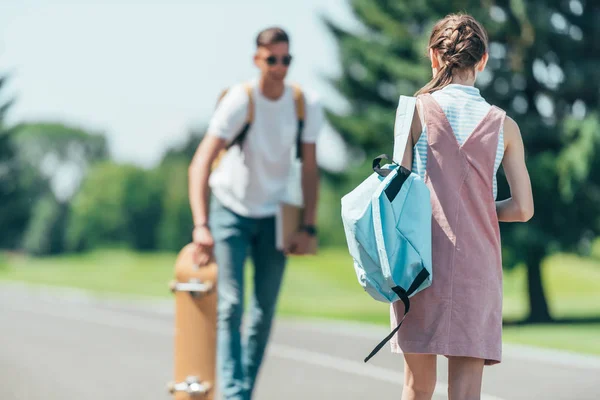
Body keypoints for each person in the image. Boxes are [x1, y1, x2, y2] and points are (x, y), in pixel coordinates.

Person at [389, 13, 534, 400]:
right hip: (477, 267)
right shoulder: (505, 126)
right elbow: (523, 208)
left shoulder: (414, 111)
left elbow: (396, 195)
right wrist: (482, 208)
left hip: (420, 266)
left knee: (417, 386)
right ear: (483, 60)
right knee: (466, 393)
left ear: (434, 57)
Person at [187, 27, 323, 400]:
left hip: (277, 214)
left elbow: (310, 169)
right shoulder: (239, 100)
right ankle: (235, 393)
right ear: (257, 59)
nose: (280, 67)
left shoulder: (305, 104)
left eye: (286, 59)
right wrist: (201, 225)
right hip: (230, 207)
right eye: (272, 59)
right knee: (231, 304)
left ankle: (242, 390)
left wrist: (308, 225)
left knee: (263, 314)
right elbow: (200, 163)